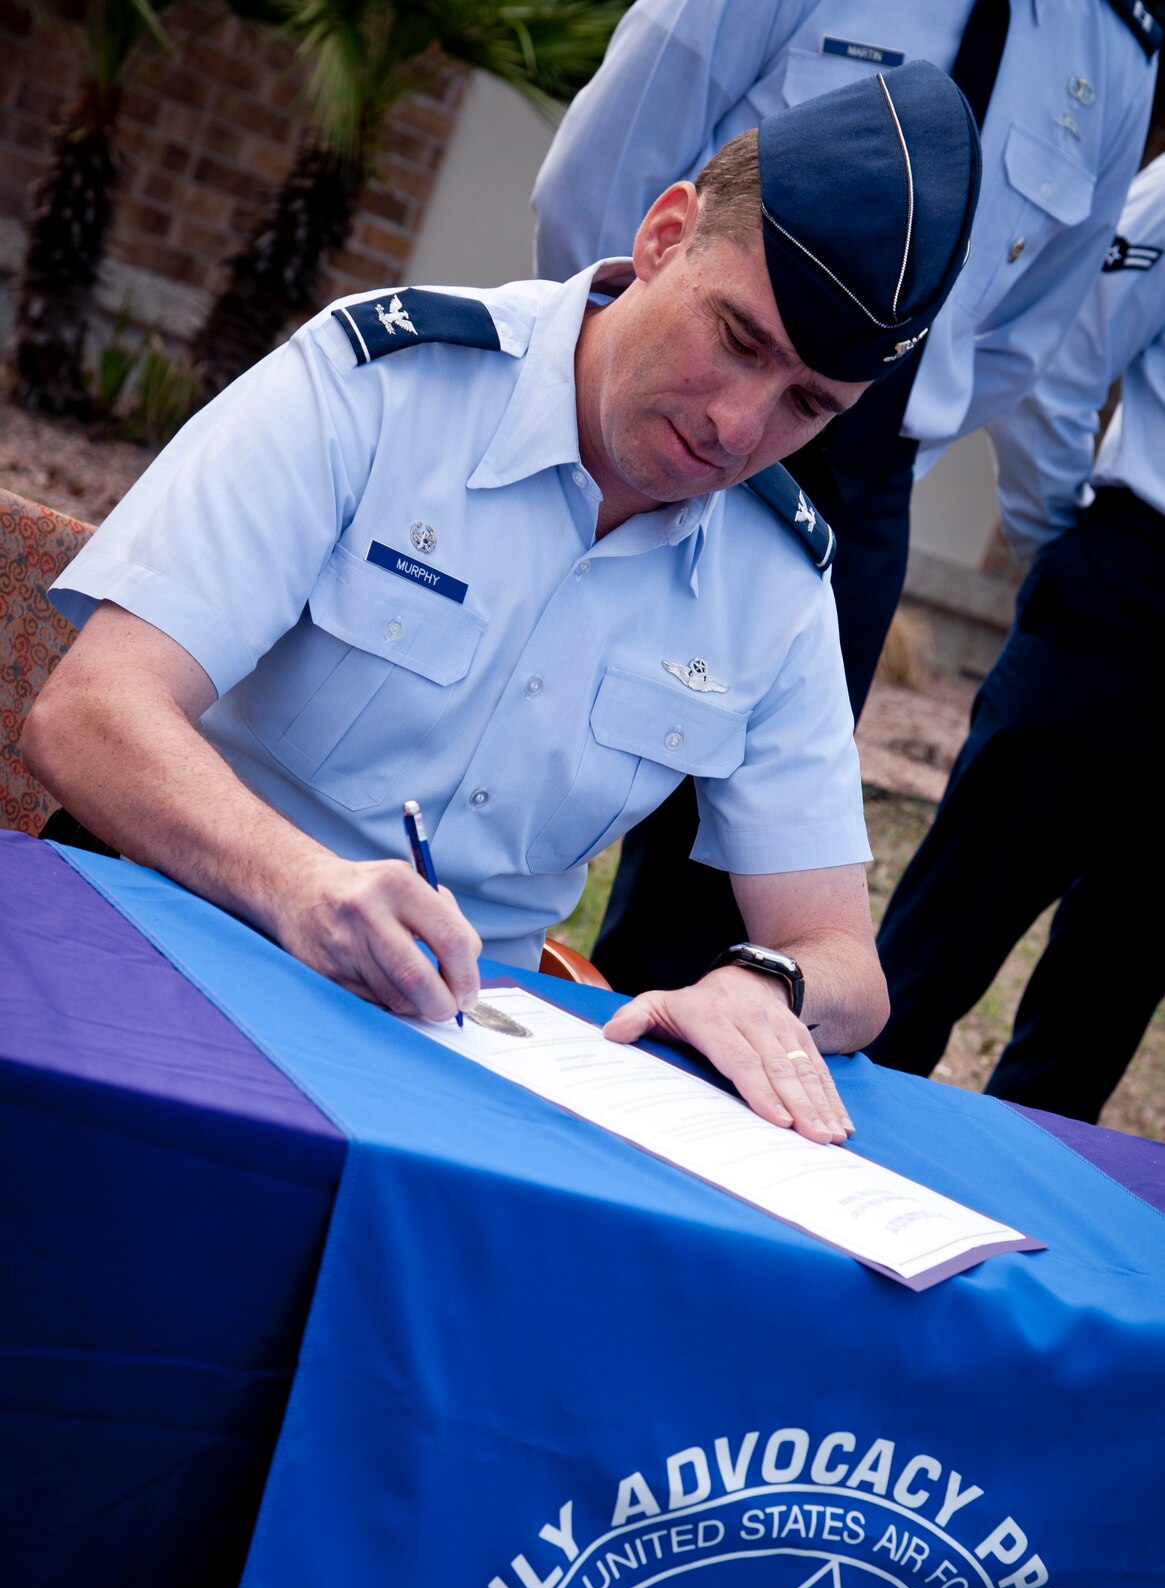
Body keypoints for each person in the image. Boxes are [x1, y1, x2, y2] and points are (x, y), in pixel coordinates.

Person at [22, 62, 980, 1148]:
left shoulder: (774, 576)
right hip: (170, 935)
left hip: (455, 1060)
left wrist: (762, 980)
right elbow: (90, 711)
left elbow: (848, 965)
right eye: (740, 339)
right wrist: (299, 884)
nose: (738, 426)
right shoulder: (385, 382)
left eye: (808, 403)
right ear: (664, 236)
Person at [531, 0, 1161, 994]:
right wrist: (623, 375)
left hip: (859, 489)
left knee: (725, 912)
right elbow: (618, 150)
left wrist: (862, 421)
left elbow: (1029, 324)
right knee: (497, 764)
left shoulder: (1116, 51)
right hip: (645, 420)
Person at [870, 155, 1165, 1122]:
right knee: (943, 935)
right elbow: (1066, 355)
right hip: (1129, 591)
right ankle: (814, 1181)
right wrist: (1063, 556)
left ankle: (1000, 1248)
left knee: (1105, 999)